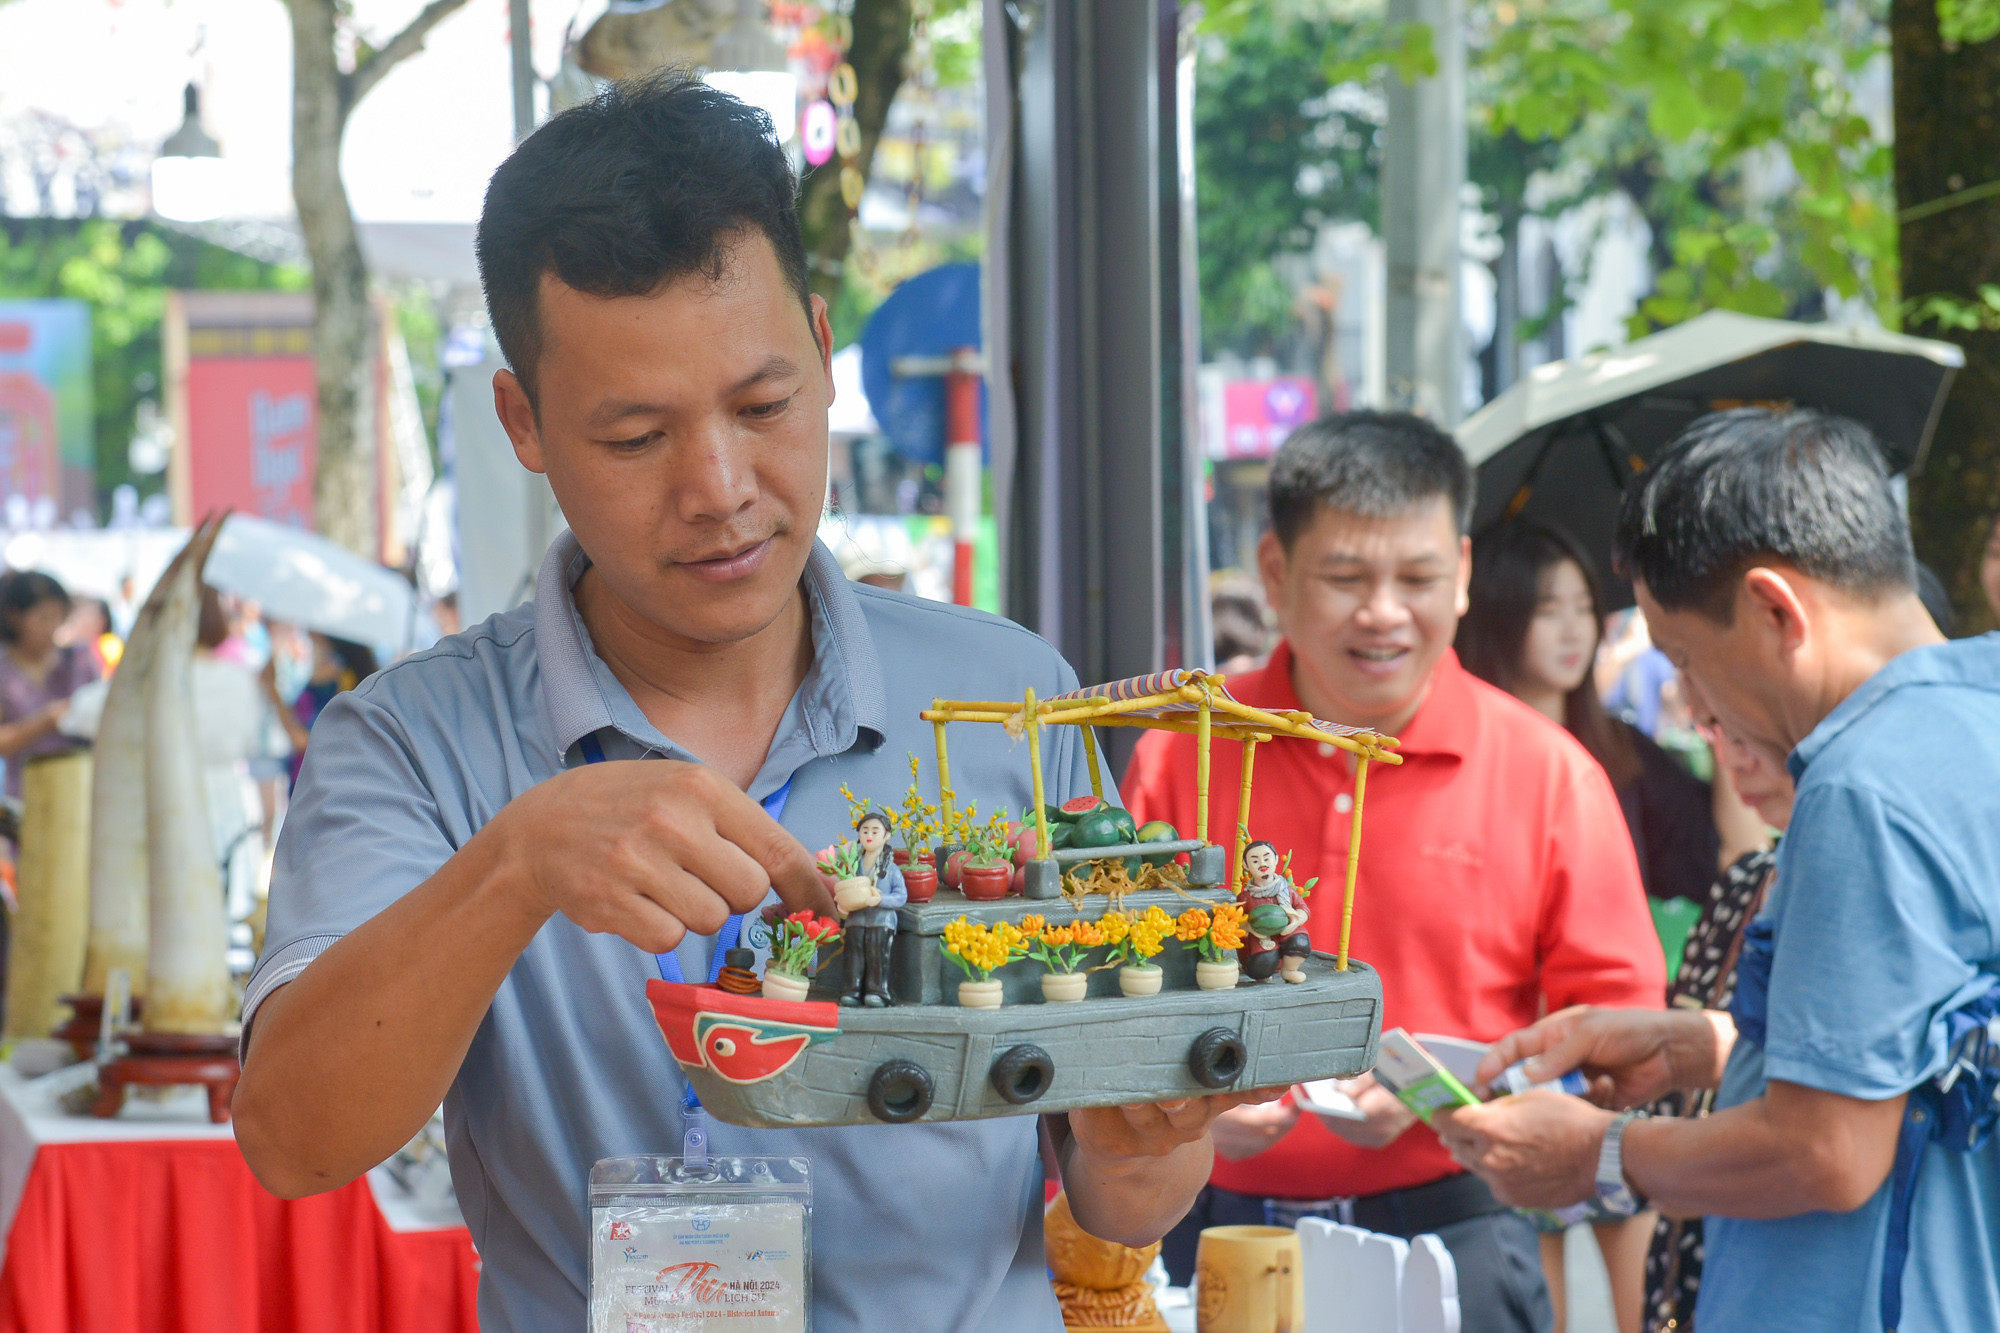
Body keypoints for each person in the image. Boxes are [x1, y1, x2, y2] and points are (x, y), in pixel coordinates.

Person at [233, 73, 1269, 1333]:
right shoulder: (410, 743)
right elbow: (292, 1140)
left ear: (825, 355)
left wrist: (1147, 1132)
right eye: (634, 438)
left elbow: (1118, 1198)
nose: (719, 488)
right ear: (524, 422)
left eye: (763, 406)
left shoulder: (1007, 699)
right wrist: (515, 866)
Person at [1437, 407, 2000, 1333]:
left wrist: (1602, 1151)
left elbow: (1828, 1149)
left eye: (1687, 658)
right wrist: (1696, 1047)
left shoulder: (1860, 787)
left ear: (1777, 611)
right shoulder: (1976, 706)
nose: (1691, 700)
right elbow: (1915, 1060)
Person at [1122, 411, 1667, 1332]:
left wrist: (1453, 1098)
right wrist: (1185, 1097)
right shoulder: (1186, 752)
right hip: (1209, 1232)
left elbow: (1621, 1044)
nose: (1383, 611)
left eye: (1417, 578)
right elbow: (1104, 975)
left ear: (1462, 574)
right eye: (1346, 577)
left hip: (1458, 1237)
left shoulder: (1547, 773)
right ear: (1274, 572)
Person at [1459, 520, 1720, 905]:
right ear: (1496, 617)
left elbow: (1709, 858)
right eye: (1548, 611)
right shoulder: (1465, 758)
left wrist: (1724, 723)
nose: (1574, 631)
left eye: (1583, 608)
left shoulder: (1619, 748)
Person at [1641, 700, 1792, 1333]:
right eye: (1719, 732)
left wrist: (1609, 1149)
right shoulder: (1745, 882)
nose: (1734, 757)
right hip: (1695, 1240)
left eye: (1754, 732)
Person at [0, 571, 99, 803]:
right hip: (24, 796)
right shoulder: (4, 670)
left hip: (80, 790)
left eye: (57, 617)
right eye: (43, 618)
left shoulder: (79, 659)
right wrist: (44, 721)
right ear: (14, 616)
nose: (51, 627)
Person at [834, 808, 904, 1006]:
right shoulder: (853, 866)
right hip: (856, 919)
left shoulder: (890, 869)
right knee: (853, 956)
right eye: (865, 831)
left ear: (887, 836)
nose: (869, 835)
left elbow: (901, 897)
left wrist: (880, 900)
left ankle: (877, 992)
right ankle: (852, 990)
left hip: (881, 920)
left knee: (877, 956)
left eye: (875, 831)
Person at [1236, 840, 1310, 983]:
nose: (1262, 864)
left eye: (1266, 858)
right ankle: (1263, 973)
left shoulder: (1286, 890)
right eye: (1255, 861)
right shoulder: (1245, 897)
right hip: (1261, 937)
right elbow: (1236, 921)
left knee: (1300, 942)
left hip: (1287, 930)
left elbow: (1303, 908)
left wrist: (1295, 922)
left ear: (1276, 859)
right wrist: (1250, 927)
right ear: (1246, 865)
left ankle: (1290, 970)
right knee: (1262, 964)